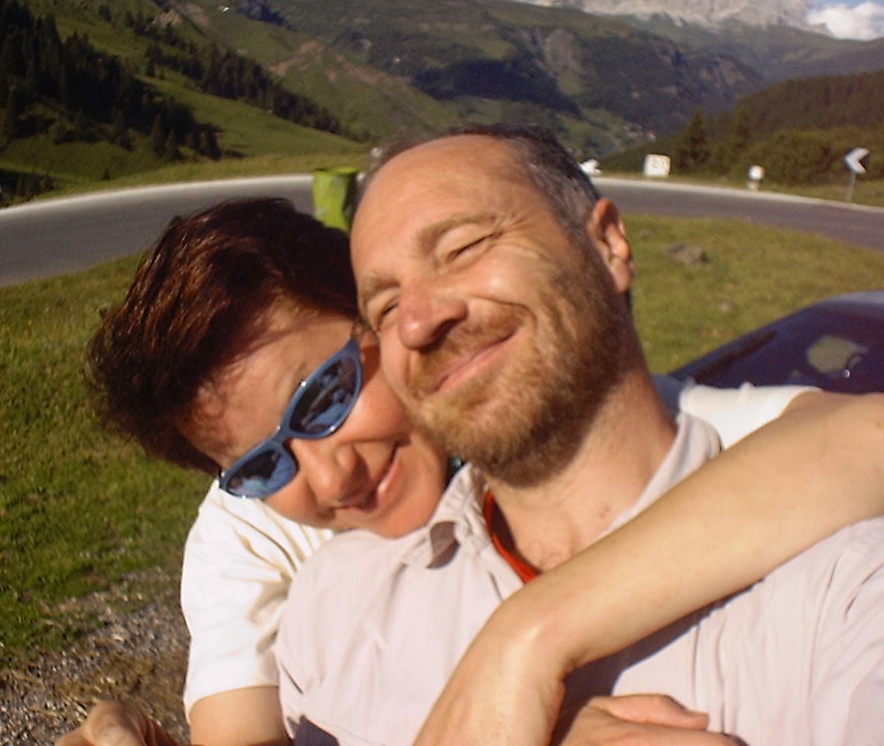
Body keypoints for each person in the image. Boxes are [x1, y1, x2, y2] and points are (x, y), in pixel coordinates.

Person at [63, 197, 884, 746]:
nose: (331, 476)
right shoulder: (247, 535)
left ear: (388, 320)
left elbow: (865, 440)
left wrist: (523, 640)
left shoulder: (565, 426)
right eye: (259, 462)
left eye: (325, 397)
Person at [275, 125, 884, 745]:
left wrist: (527, 635)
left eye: (462, 248)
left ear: (608, 244)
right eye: (384, 308)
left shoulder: (846, 588)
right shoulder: (336, 604)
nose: (416, 322)